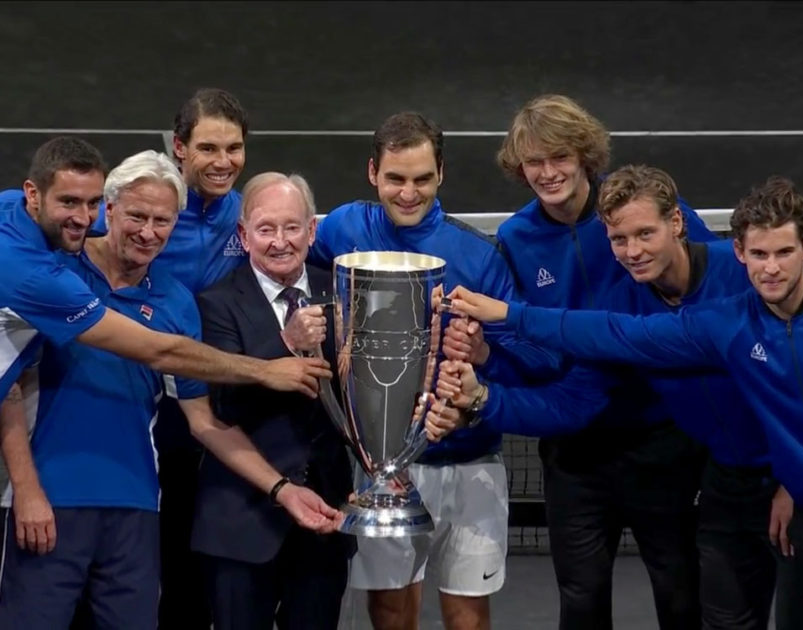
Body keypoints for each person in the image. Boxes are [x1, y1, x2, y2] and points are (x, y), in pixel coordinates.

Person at [448, 175, 803, 630]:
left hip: (797, 491)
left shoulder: (743, 282)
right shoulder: (666, 315)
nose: (633, 251)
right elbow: (578, 389)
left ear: (677, 222)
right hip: (725, 485)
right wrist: (484, 395)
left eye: (645, 234)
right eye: (619, 239)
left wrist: (794, 478)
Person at [0, 151, 342, 630]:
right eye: (137, 216)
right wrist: (27, 490)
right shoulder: (55, 275)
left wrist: (282, 490)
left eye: (162, 221)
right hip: (50, 501)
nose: (148, 232)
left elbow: (204, 422)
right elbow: (12, 384)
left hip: (137, 506)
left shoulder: (177, 301)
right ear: (109, 211)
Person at [308, 111, 557, 630]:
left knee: (467, 616)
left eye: (422, 178)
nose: (408, 193)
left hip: (470, 464)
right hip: (377, 469)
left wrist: (483, 349)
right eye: (396, 178)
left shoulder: (481, 256)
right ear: (373, 171)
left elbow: (534, 361)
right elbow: (278, 255)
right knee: (391, 612)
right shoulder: (340, 230)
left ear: (441, 172)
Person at [483, 94, 717, 629]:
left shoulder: (637, 211)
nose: (547, 173)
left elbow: (705, 292)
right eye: (534, 162)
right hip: (575, 450)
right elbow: (524, 338)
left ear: (585, 154)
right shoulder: (517, 238)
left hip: (663, 442)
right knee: (581, 600)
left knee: (681, 593)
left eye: (559, 157)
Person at [0, 136, 330, 401]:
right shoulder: (44, 276)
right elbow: (159, 350)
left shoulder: (9, 206)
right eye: (68, 202)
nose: (84, 217)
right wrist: (265, 370)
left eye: (91, 203)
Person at [91, 88, 251, 629]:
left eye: (234, 148)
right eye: (208, 147)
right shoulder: (146, 205)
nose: (223, 162)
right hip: (135, 394)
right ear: (179, 147)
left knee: (190, 537)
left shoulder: (245, 215)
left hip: (204, 397)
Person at [190, 171, 355, 630]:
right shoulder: (214, 304)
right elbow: (223, 406)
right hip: (241, 526)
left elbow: (365, 398)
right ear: (243, 236)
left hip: (323, 518)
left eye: (291, 227)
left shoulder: (344, 291)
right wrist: (285, 342)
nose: (280, 241)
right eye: (265, 229)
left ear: (312, 230)